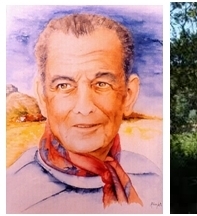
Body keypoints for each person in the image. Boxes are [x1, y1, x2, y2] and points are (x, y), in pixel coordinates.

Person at [6, 13, 162, 213]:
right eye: (64, 85)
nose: (84, 106)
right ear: (42, 96)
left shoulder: (153, 179)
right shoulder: (13, 194)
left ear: (128, 95)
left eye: (102, 84)